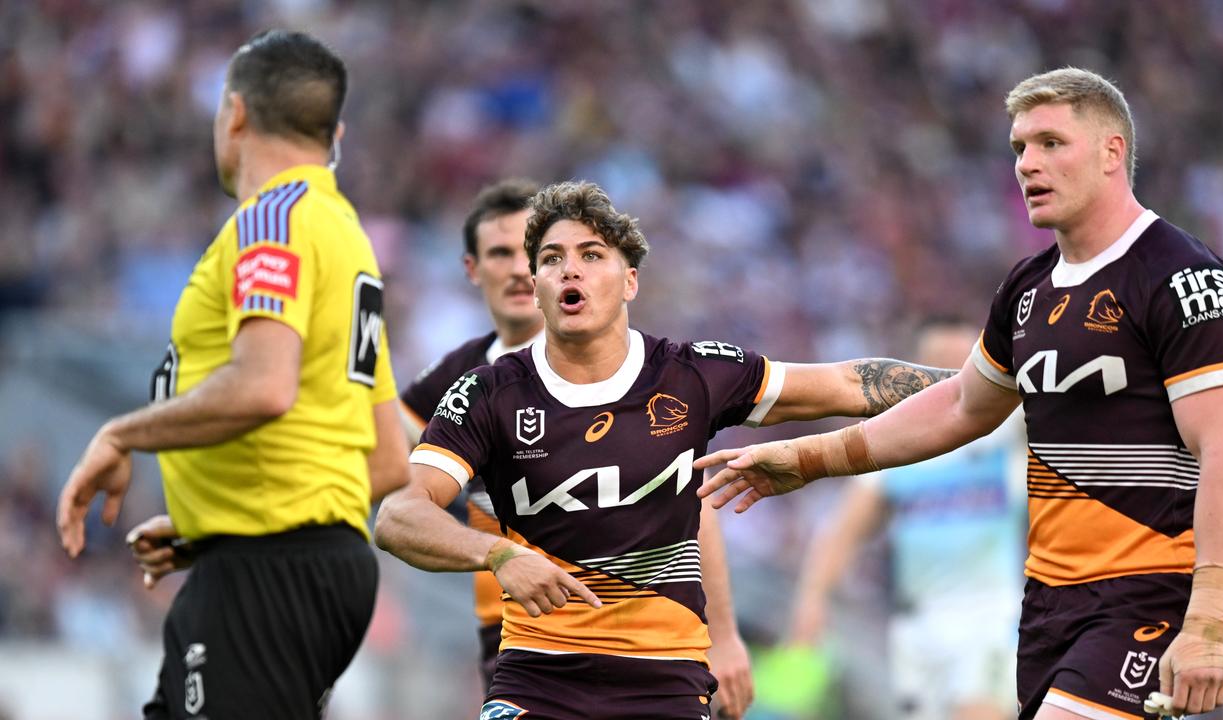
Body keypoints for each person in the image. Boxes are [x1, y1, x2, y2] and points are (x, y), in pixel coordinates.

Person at [697, 67, 1223, 720]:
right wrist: (808, 459)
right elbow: (964, 406)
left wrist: (1208, 626)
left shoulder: (1184, 276)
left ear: (1113, 153)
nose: (1027, 164)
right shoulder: (1027, 291)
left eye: (1051, 143)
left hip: (1143, 598)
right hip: (1047, 608)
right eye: (1019, 147)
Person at [374, 180, 954, 720]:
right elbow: (401, 515)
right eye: (551, 259)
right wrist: (500, 556)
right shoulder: (487, 391)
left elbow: (849, 385)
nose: (569, 269)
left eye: (592, 254)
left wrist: (988, 384)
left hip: (664, 682)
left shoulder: (692, 375)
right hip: (535, 680)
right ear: (539, 284)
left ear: (630, 281)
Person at [55, 30, 408, 718]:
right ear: (333, 133)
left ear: (235, 114)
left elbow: (263, 385)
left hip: (266, 574)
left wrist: (123, 434)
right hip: (284, 564)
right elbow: (387, 458)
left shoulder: (272, 219)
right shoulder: (345, 239)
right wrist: (213, 528)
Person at [396, 178, 756, 718]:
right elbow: (391, 479)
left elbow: (689, 503)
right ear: (473, 270)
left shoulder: (643, 372)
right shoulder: (462, 383)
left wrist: (723, 634)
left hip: (649, 652)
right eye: (507, 254)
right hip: (518, 635)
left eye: (583, 255)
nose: (521, 269)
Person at [788, 317, 1026, 720]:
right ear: (916, 368)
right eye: (939, 363)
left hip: (992, 612)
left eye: (963, 363)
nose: (952, 376)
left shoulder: (1010, 432)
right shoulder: (897, 444)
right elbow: (843, 530)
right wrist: (812, 600)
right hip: (918, 624)